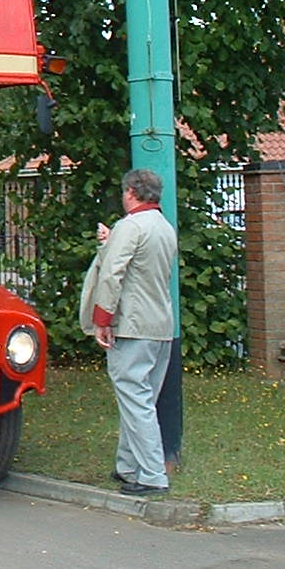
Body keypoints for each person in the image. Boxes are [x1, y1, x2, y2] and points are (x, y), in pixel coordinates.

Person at [79, 167, 177, 495]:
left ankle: (151, 474)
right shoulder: (164, 227)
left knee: (136, 400)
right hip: (161, 325)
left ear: (131, 193)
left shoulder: (130, 226)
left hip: (132, 326)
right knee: (141, 396)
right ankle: (127, 466)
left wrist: (101, 321)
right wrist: (111, 243)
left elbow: (112, 276)